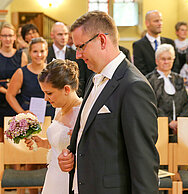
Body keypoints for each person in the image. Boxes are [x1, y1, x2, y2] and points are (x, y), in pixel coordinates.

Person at [58, 11, 159, 194]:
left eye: (81, 47)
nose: (78, 55)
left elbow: (143, 161)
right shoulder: (95, 78)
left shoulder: (133, 87)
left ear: (102, 40)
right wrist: (71, 155)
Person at [25, 59, 82, 194]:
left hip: (70, 178)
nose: (45, 98)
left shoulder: (82, 114)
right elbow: (59, 144)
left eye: (49, 93)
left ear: (66, 89)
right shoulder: (59, 108)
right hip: (53, 174)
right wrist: (43, 142)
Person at [0, 23, 27, 181]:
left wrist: (15, 90)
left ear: (15, 37)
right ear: (0, 37)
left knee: (15, 137)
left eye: (10, 35)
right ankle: (0, 173)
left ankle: (15, 174)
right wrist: (9, 91)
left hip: (16, 100)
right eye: (4, 36)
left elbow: (24, 78)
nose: (7, 39)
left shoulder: (21, 55)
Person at [146, 44, 188, 142]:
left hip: (180, 129)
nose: (166, 62)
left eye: (169, 58)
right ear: (156, 61)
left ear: (173, 60)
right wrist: (169, 122)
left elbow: (186, 103)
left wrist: (180, 122)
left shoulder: (178, 78)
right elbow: (150, 105)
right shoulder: (149, 80)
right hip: (158, 128)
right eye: (163, 59)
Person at [6, 37, 55, 118]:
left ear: (47, 52)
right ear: (29, 52)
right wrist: (22, 112)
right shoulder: (21, 72)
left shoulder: (53, 71)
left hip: (51, 115)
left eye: (42, 51)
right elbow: (10, 95)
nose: (39, 55)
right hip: (29, 116)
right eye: (35, 51)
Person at [47, 22, 93, 97]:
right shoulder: (45, 54)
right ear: (52, 35)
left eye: (66, 34)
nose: (63, 37)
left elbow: (81, 79)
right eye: (60, 34)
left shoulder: (76, 55)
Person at [133, 10, 180, 76]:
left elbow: (176, 66)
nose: (160, 23)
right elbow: (140, 70)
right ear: (147, 23)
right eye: (156, 21)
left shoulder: (170, 43)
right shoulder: (139, 45)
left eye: (161, 20)